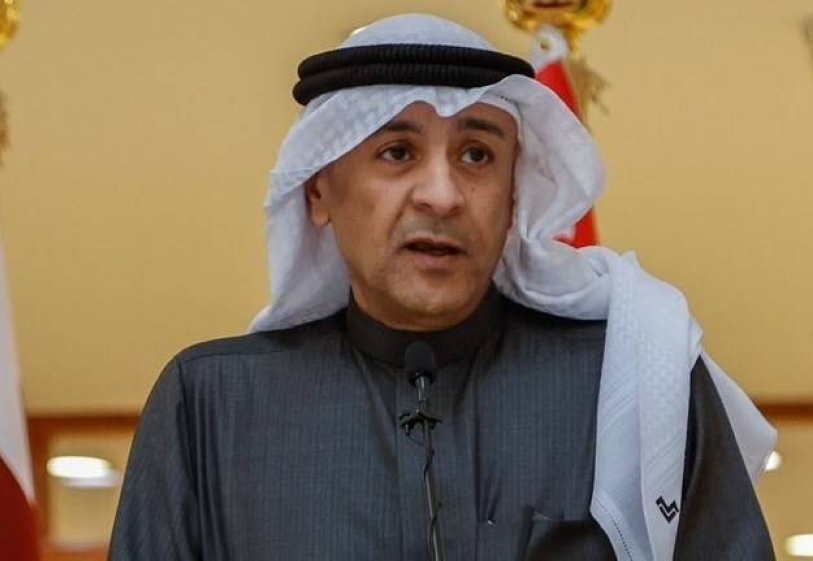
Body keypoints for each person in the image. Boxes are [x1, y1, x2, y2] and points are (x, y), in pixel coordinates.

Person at [111, 13, 777, 561]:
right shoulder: (212, 405)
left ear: (513, 195)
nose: (442, 194)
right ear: (318, 191)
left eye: (477, 155)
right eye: (397, 152)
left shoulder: (633, 378)